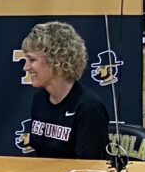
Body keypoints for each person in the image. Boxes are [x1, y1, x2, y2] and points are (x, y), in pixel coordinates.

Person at [21, 21, 109, 159]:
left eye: (32, 60)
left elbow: (90, 165)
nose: (25, 67)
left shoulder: (89, 108)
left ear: (56, 61)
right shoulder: (40, 99)